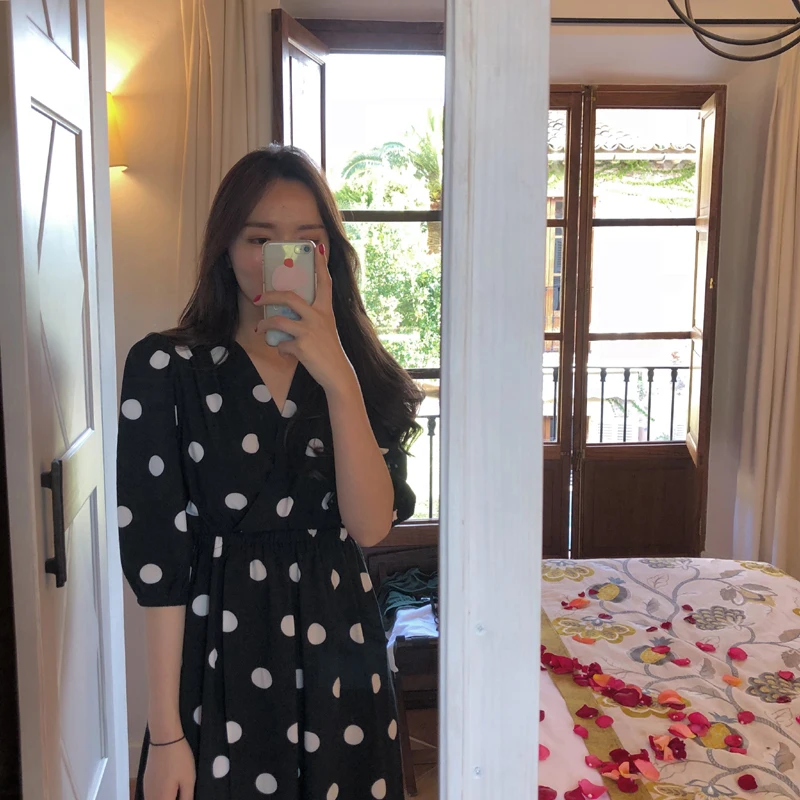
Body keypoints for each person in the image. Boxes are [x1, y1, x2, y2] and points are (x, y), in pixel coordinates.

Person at [117, 145, 422, 799]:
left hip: (342, 658)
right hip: (221, 660)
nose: (280, 258)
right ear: (226, 247)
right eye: (259, 239)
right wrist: (165, 733)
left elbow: (370, 526)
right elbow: (160, 565)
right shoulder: (166, 369)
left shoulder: (356, 371)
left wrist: (338, 378)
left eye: (305, 242)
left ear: (327, 255)